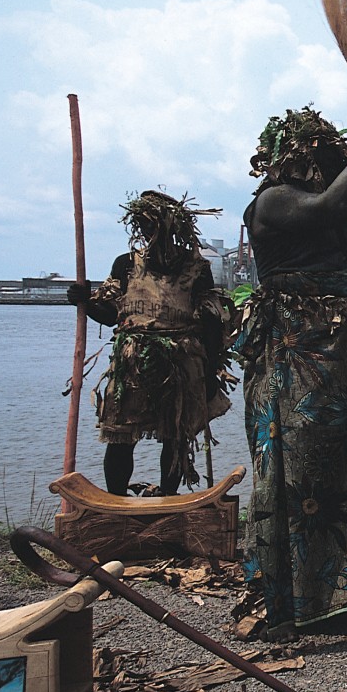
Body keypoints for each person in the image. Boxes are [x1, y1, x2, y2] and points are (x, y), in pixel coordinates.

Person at [235, 93, 347, 637]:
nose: (334, 171)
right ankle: (300, 601)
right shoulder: (273, 201)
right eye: (327, 160)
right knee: (303, 474)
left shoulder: (331, 221)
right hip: (300, 366)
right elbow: (334, 205)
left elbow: (341, 262)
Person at [66, 190, 232, 496]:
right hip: (133, 361)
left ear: (175, 229)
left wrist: (210, 376)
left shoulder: (196, 269)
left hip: (183, 361)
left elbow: (211, 323)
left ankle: (168, 498)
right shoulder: (127, 265)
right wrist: (85, 302)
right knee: (120, 436)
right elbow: (110, 313)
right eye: (145, 227)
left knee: (177, 436)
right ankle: (116, 501)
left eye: (157, 227)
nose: (151, 234)